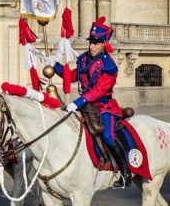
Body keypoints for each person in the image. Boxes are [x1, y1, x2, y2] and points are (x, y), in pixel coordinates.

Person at [45, 16, 130, 188]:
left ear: (104, 44)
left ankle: (125, 172)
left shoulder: (109, 65)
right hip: (86, 105)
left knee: (107, 135)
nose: (91, 46)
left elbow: (99, 90)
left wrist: (78, 102)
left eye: (96, 43)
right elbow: (73, 76)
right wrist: (55, 66)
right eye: (91, 42)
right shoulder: (85, 58)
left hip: (104, 106)